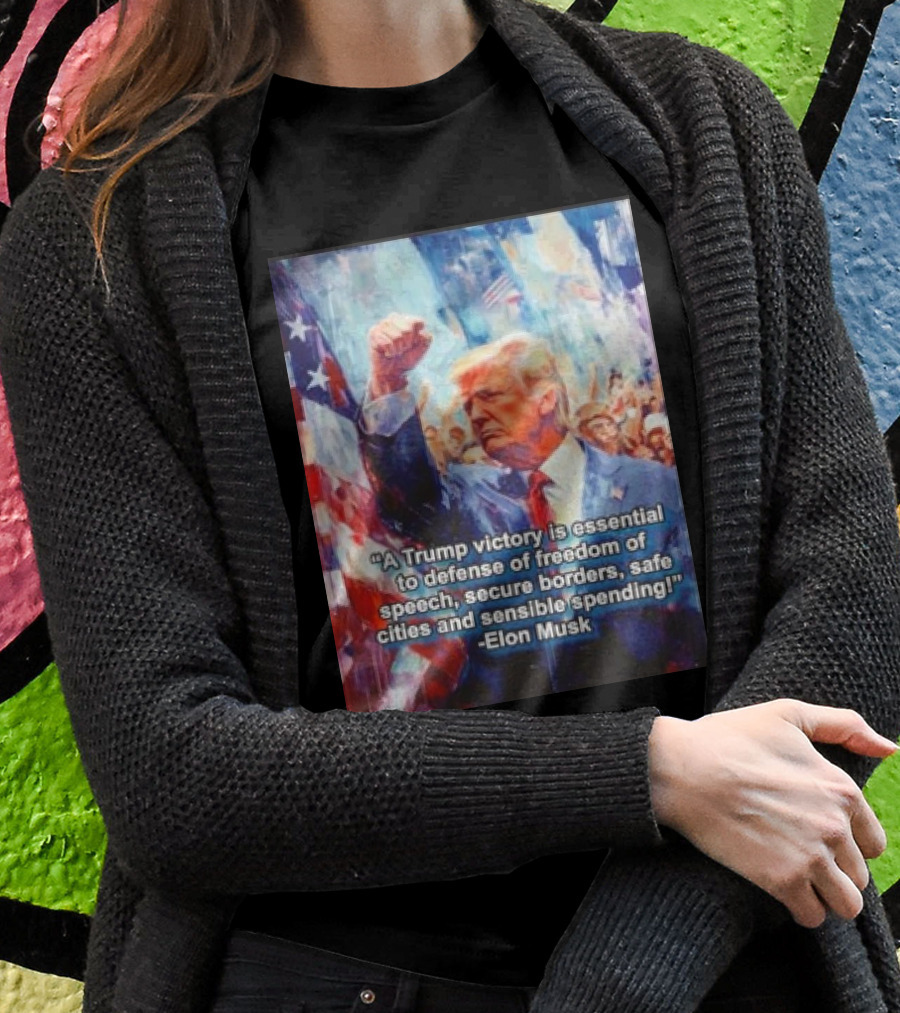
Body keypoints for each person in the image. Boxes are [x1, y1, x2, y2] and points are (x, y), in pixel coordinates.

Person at [0, 1, 899, 1012]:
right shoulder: (101, 240)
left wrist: (630, 968)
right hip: (340, 979)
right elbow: (173, 771)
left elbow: (852, 602)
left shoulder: (705, 129)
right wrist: (648, 773)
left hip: (716, 965)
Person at [361, 324, 702, 703]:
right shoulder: (471, 493)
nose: (475, 415)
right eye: (469, 405)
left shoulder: (651, 484)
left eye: (488, 396)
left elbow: (691, 612)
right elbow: (411, 497)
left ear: (546, 398)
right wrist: (388, 383)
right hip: (507, 722)